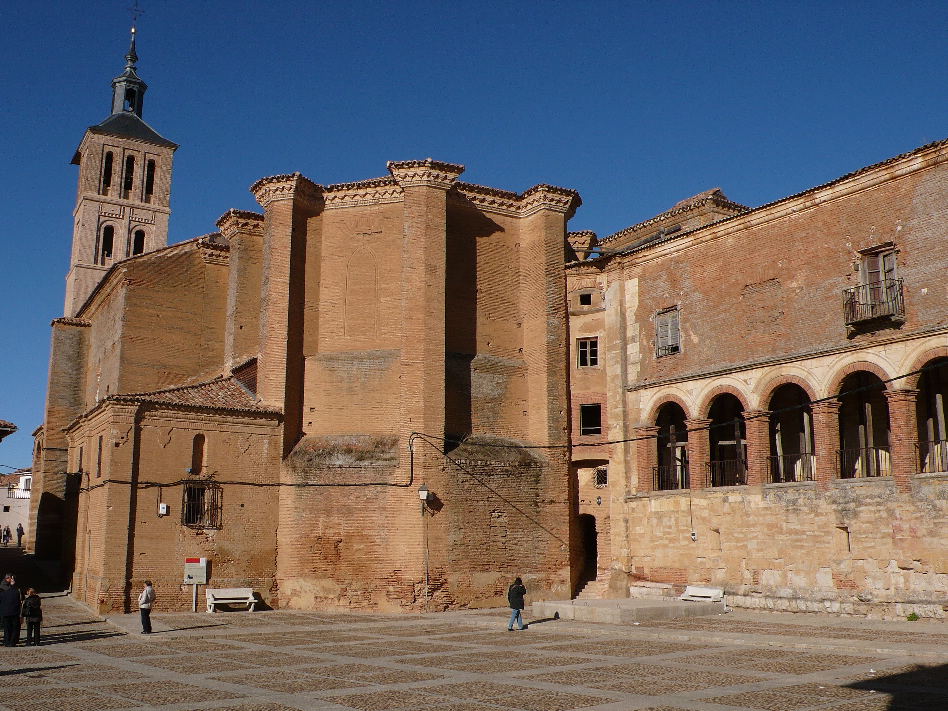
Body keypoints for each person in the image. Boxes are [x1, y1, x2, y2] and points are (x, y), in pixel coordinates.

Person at [0, 573, 21, 646]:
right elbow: (19, 600)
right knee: (13, 628)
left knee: (7, 628)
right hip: (14, 612)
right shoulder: (16, 592)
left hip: (5, 612)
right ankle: (11, 642)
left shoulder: (3, 593)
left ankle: (7, 642)